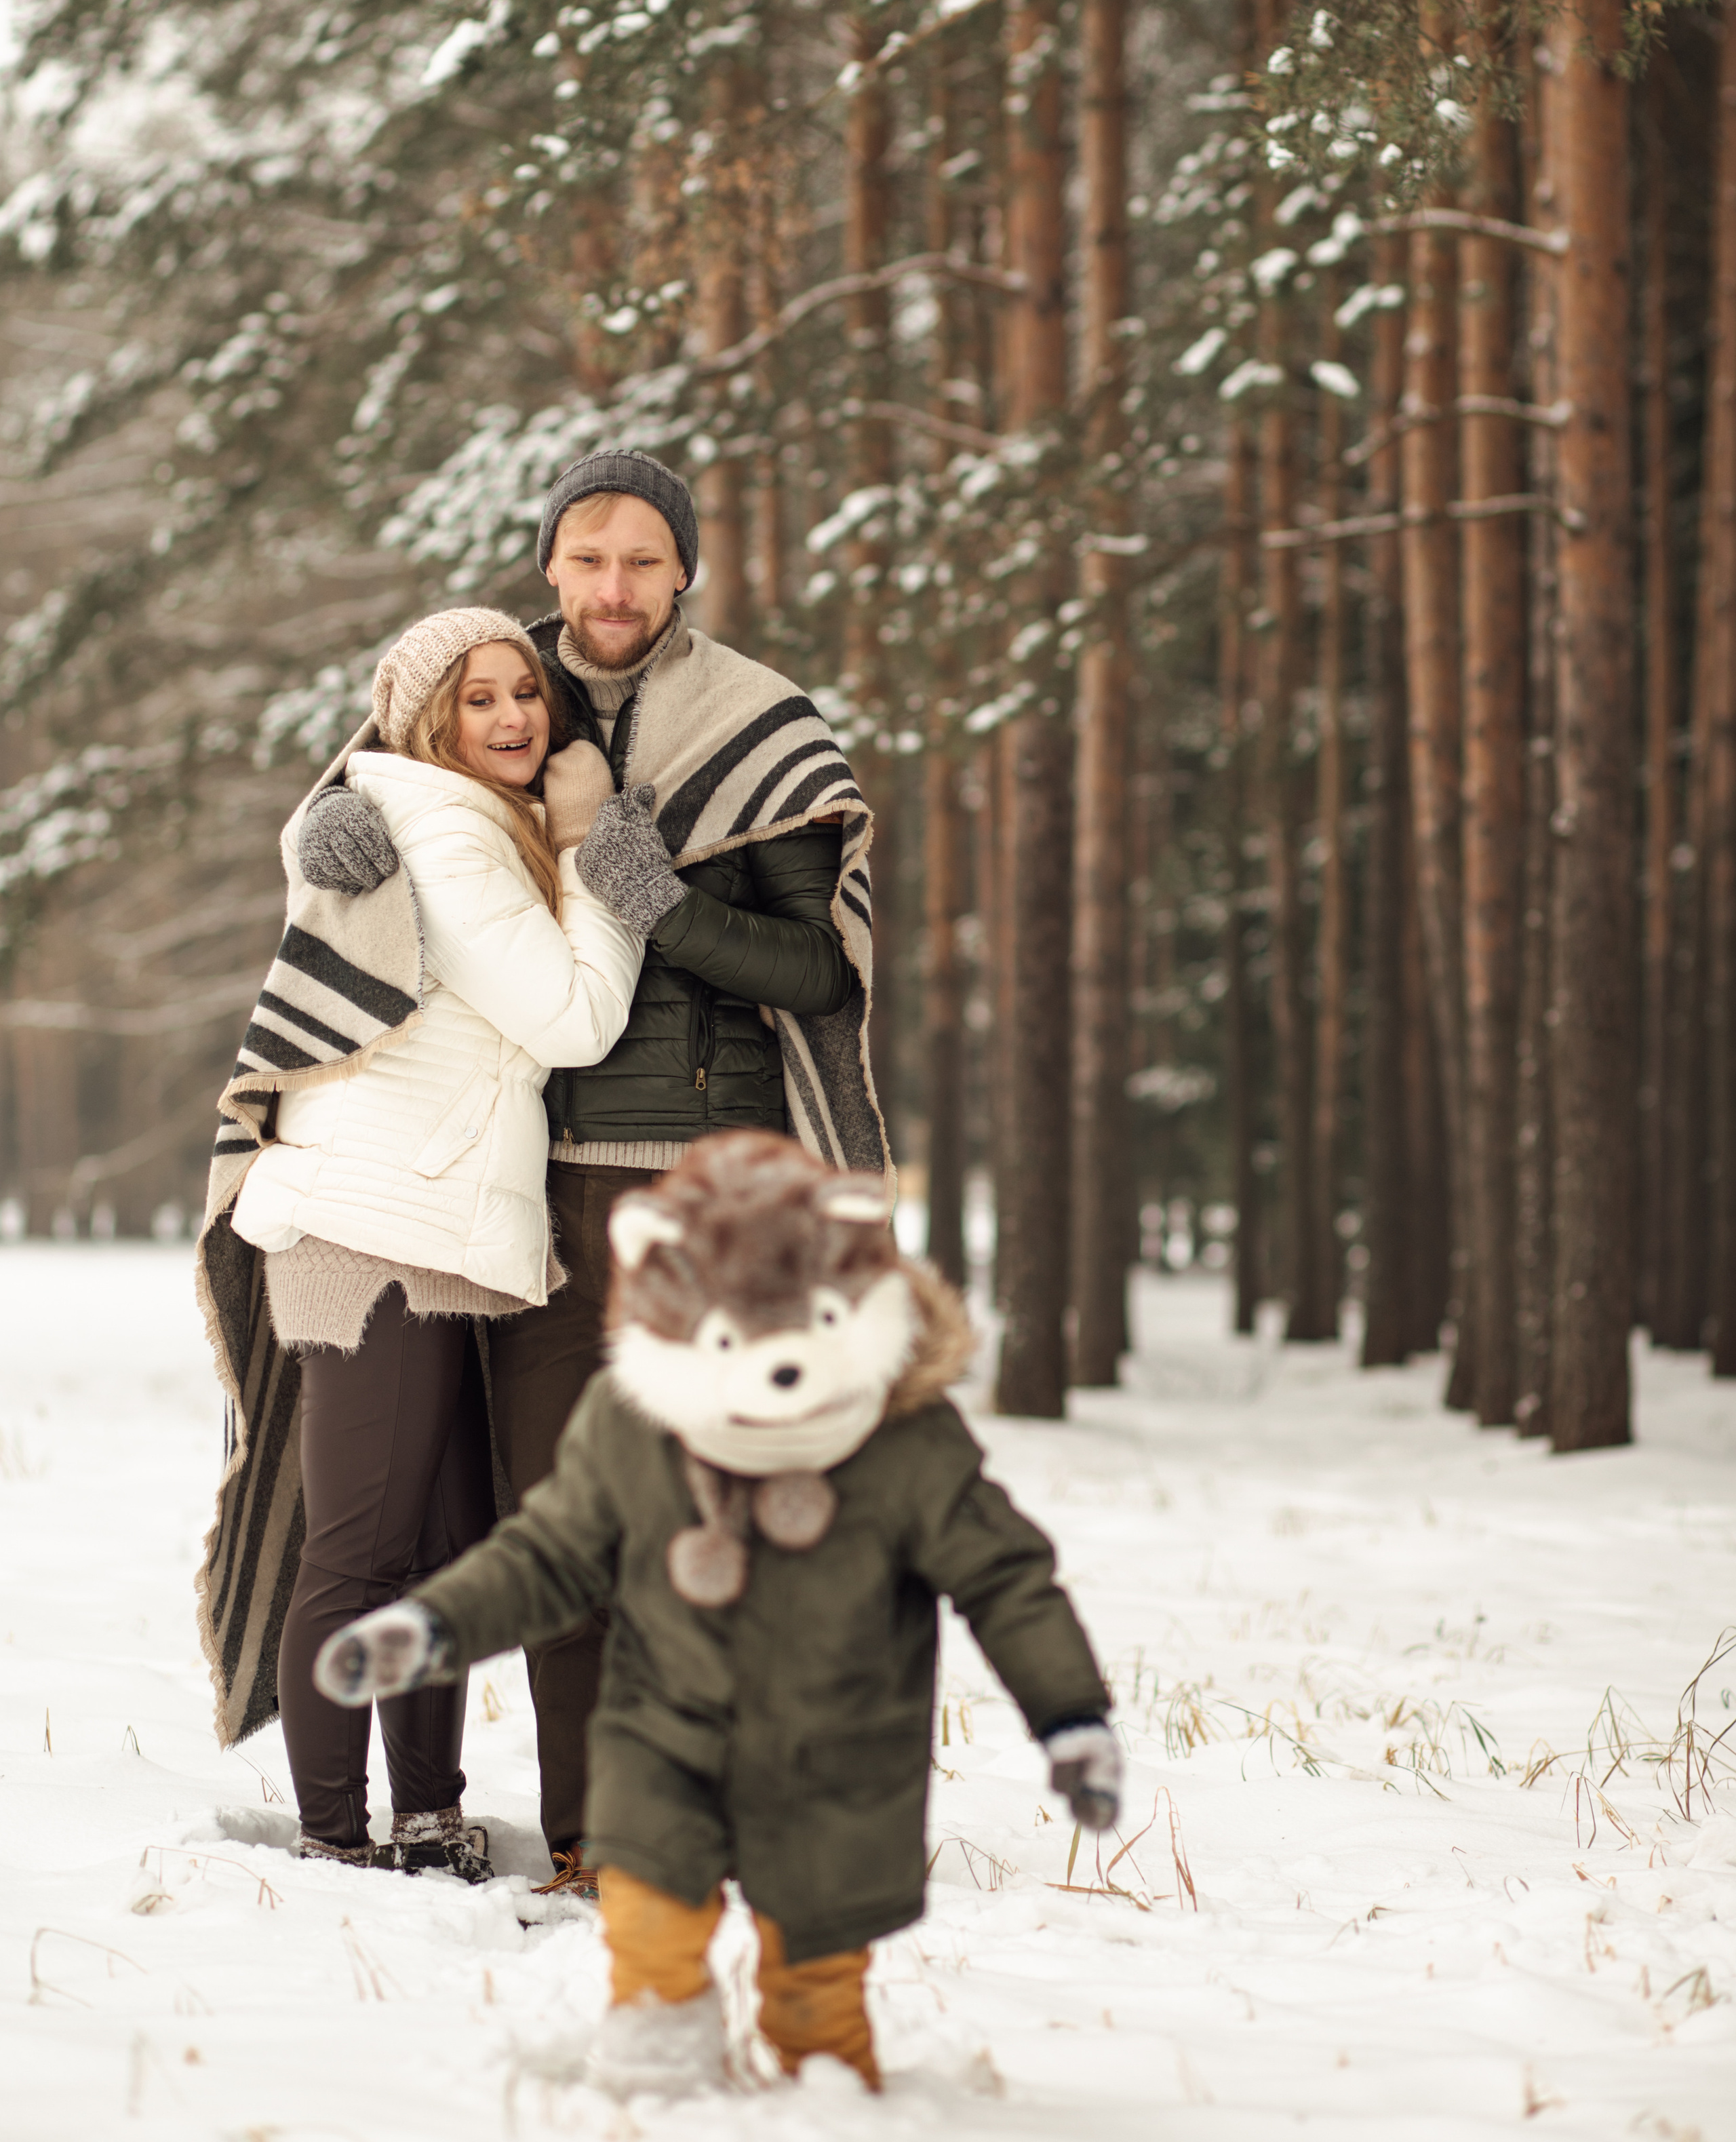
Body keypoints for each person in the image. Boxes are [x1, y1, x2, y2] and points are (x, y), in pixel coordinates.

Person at [297, 450, 890, 1888]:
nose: (612, 587)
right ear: (550, 564)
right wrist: (325, 828)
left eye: (642, 559)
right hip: (539, 1189)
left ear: (684, 570)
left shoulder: (756, 723)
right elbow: (379, 778)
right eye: (587, 557)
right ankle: (592, 1838)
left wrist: (654, 899)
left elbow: (821, 971)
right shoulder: (500, 690)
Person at [310, 1131, 1120, 2097]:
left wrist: (1070, 1713)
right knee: (651, 1929)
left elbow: (1006, 1578)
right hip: (668, 1737)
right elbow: (548, 1557)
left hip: (839, 1755)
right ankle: (659, 2050)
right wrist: (432, 1628)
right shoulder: (638, 1421)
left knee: (816, 1993)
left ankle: (824, 2081)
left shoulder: (900, 1436)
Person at [198, 606, 644, 1877]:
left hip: (432, 1221)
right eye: (477, 698)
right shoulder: (450, 831)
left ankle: (430, 1814)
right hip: (379, 1227)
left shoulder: (454, 816)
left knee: (436, 1555)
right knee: (360, 1554)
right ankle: (336, 1835)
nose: (513, 717)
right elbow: (575, 1019)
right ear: (421, 721)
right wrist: (602, 856)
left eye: (525, 692)